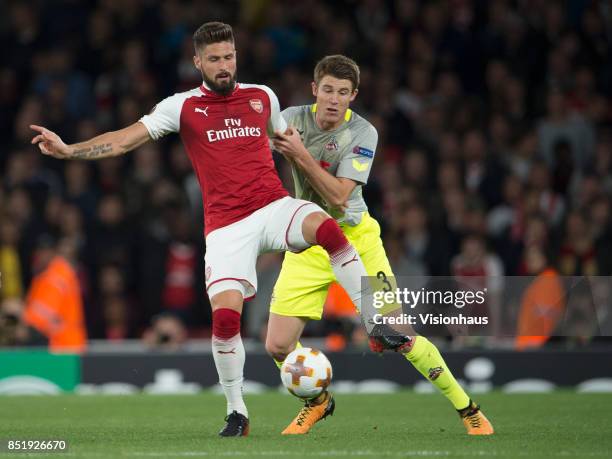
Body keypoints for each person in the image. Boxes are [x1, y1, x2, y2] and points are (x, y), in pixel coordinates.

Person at [30, 22, 385, 437]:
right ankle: (237, 412)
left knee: (325, 227)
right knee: (225, 319)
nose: (223, 65)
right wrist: (70, 150)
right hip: (226, 228)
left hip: (271, 205)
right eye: (214, 59)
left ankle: (375, 315)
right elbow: (126, 140)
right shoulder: (180, 107)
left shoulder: (262, 97)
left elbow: (294, 147)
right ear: (197, 62)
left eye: (229, 57)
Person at [269, 55, 494, 435]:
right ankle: (318, 402)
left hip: (356, 241)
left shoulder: (362, 133)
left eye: (343, 92)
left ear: (353, 96)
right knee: (277, 346)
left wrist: (300, 155)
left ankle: (467, 408)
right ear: (314, 90)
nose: (333, 99)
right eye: (327, 90)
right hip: (307, 241)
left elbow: (340, 196)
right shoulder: (290, 119)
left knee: (399, 334)